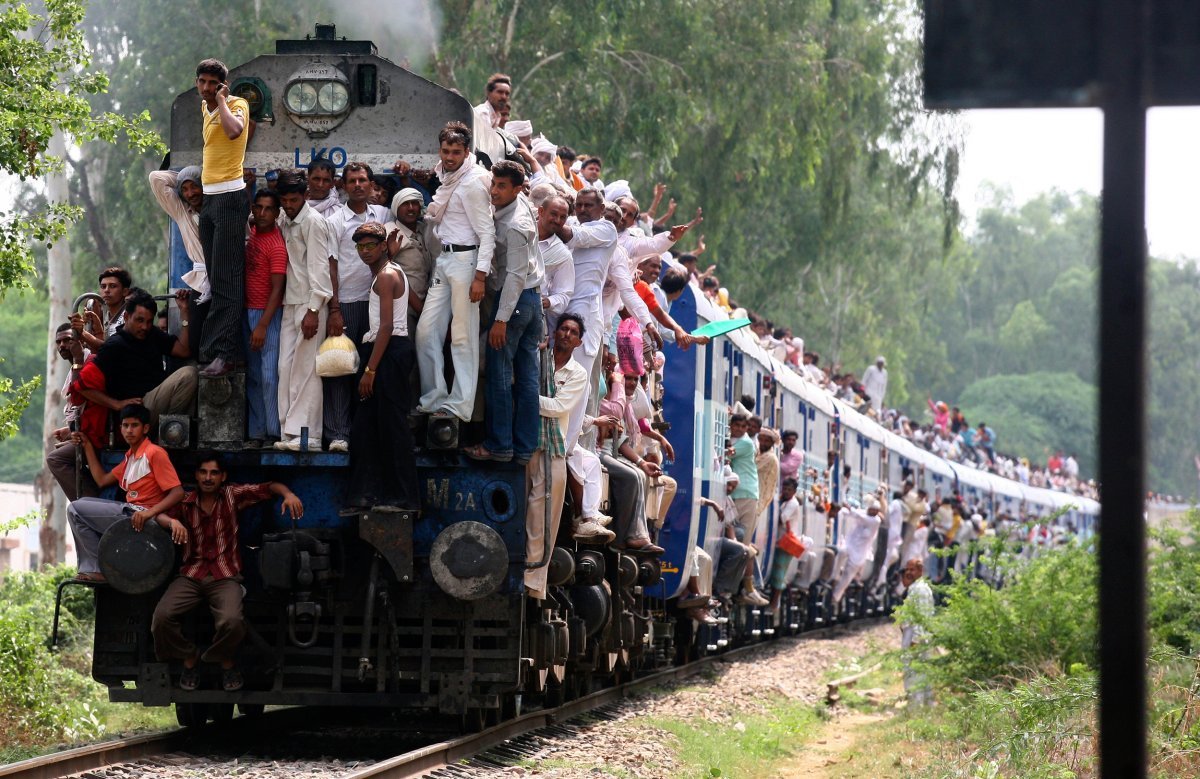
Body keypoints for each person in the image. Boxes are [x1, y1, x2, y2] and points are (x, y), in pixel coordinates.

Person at [151, 453, 304, 692]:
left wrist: (288, 494)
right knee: (161, 618)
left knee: (232, 621)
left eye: (214, 473)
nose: (208, 478)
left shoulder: (232, 495)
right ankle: (189, 655)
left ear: (223, 477)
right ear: (196, 475)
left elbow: (268, 487)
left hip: (225, 576)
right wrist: (173, 523)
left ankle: (221, 658)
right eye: (203, 472)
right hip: (191, 575)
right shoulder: (185, 501)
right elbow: (158, 513)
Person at [415, 120, 496, 422]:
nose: (449, 157)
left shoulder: (473, 182)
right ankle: (433, 398)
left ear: (467, 152)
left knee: (462, 336)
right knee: (426, 332)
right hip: (445, 259)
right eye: (445, 151)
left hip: (466, 261)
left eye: (456, 152)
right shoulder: (447, 176)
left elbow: (487, 233)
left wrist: (480, 276)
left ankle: (460, 404)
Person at [465, 161, 543, 463]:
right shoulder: (518, 205)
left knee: (499, 374)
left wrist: (501, 319)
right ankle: (523, 448)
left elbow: (515, 276)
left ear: (517, 189)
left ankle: (498, 446)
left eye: (501, 186)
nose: (494, 191)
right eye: (493, 184)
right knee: (527, 379)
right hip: (532, 300)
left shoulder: (516, 225)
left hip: (516, 301)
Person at [345, 223, 420, 510]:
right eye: (360, 247)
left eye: (370, 246)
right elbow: (414, 304)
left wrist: (370, 370)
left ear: (381, 247)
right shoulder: (390, 271)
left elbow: (387, 326)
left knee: (392, 427)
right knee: (368, 426)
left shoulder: (387, 276)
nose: (364, 251)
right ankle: (369, 495)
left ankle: (403, 498)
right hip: (385, 351)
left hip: (388, 352)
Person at [66, 404, 186, 582]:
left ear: (145, 428)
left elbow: (178, 493)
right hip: (132, 513)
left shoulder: (155, 453)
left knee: (75, 509)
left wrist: (150, 514)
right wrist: (87, 445)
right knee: (78, 507)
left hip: (143, 518)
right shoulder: (130, 456)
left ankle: (97, 569)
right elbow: (102, 480)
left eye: (134, 425)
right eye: (125, 425)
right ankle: (98, 566)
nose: (129, 430)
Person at [323, 162, 392, 452]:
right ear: (344, 186)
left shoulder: (384, 215)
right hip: (348, 303)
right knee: (341, 367)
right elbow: (331, 266)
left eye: (363, 180)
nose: (358, 185)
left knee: (373, 369)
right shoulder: (335, 220)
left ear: (371, 184)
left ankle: (368, 433)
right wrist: (334, 309)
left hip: (378, 302)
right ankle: (339, 434)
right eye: (352, 181)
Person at [525, 313, 591, 598]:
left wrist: (525, 396)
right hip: (526, 442)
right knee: (521, 512)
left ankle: (533, 582)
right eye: (563, 328)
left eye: (573, 332)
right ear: (555, 333)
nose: (566, 334)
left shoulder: (578, 373)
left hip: (553, 449)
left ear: (579, 342)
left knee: (543, 519)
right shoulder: (539, 358)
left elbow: (558, 407)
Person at [194, 58, 251, 377]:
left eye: (212, 84)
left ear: (222, 86)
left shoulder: (237, 104)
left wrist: (222, 101)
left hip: (230, 197)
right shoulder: (204, 108)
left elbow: (234, 131)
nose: (206, 88)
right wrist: (213, 103)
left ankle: (225, 354)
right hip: (210, 199)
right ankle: (216, 350)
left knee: (228, 280)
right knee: (216, 280)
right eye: (202, 82)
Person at [274, 169, 333, 451]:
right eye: (284, 200)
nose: (288, 205)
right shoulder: (284, 219)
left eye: (293, 200)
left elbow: (321, 269)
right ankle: (288, 433)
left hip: (311, 305)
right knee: (285, 368)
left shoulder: (314, 222)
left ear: (305, 196)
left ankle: (309, 437)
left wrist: (314, 310)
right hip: (290, 302)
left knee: (307, 371)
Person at [75, 292, 197, 425]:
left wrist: (184, 311)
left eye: (149, 321)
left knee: (192, 370)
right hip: (135, 411)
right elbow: (81, 387)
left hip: (154, 404)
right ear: (126, 317)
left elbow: (184, 351)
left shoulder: (152, 334)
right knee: (188, 374)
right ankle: (170, 428)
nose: (144, 327)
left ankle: (171, 429)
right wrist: (116, 404)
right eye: (139, 320)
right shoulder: (114, 345)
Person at [45, 325, 95, 500]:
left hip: (94, 435)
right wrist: (69, 429)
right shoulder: (74, 365)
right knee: (60, 450)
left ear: (81, 341)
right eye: (58, 342)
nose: (62, 345)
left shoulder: (89, 362)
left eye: (67, 340)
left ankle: (89, 502)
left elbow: (79, 397)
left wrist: (78, 359)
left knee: (55, 459)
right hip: (82, 432)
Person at [149, 166, 208, 301]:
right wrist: (183, 177)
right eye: (184, 189)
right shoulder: (182, 211)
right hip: (201, 283)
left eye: (194, 186)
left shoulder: (219, 208)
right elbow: (155, 178)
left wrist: (204, 179)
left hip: (227, 278)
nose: (190, 194)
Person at [727, 413, 767, 604]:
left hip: (746, 494)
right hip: (736, 493)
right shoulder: (737, 440)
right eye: (736, 425)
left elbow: (726, 453)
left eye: (743, 426)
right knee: (738, 540)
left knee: (743, 544)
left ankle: (747, 587)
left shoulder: (745, 443)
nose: (739, 429)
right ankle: (746, 586)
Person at [384, 187, 436, 335]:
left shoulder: (425, 229)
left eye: (415, 203)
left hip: (428, 304)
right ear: (396, 208)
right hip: (402, 308)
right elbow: (383, 271)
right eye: (405, 204)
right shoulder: (390, 231)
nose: (411, 208)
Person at [698, 468, 753, 602]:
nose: (730, 488)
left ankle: (728, 591)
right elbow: (729, 528)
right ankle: (719, 588)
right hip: (713, 539)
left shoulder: (727, 498)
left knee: (746, 552)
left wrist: (737, 542)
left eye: (733, 487)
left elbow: (730, 525)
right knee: (740, 550)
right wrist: (737, 544)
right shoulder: (716, 494)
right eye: (728, 484)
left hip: (718, 537)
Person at [768, 477, 810, 613]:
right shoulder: (786, 501)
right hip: (779, 542)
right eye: (784, 489)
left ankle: (774, 604)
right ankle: (774, 602)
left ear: (794, 491)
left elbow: (781, 519)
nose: (786, 491)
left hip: (786, 544)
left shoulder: (793, 504)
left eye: (789, 490)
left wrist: (777, 502)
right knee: (776, 572)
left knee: (779, 573)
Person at [534, 194, 575, 322]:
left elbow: (564, 294)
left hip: (532, 312)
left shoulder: (562, 254)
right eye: (554, 214)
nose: (557, 220)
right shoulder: (522, 232)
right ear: (541, 211)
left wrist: (547, 302)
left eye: (563, 217)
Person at [899, 558, 934, 706]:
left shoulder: (919, 590)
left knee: (914, 674)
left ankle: (916, 708)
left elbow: (921, 616)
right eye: (907, 569)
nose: (908, 573)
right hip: (917, 637)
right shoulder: (916, 588)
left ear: (920, 571)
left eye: (912, 570)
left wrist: (916, 641)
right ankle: (925, 706)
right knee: (921, 674)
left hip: (916, 639)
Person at [71, 267, 132, 351]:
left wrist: (83, 333)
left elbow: (114, 349)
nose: (106, 290)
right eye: (103, 286)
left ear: (125, 291)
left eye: (113, 286)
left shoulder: (130, 316)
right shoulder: (104, 317)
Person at [473, 73, 511, 166]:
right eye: (500, 92)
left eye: (507, 94)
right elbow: (483, 146)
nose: (504, 97)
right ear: (489, 93)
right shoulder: (483, 113)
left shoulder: (496, 115)